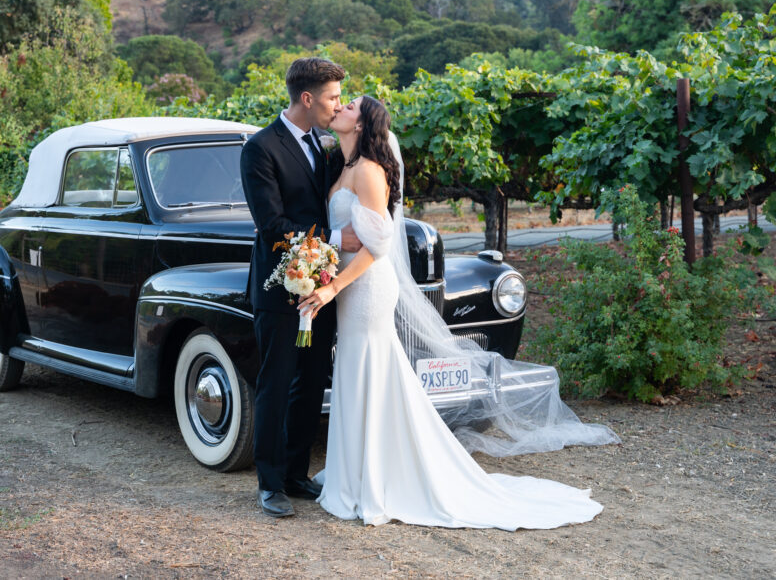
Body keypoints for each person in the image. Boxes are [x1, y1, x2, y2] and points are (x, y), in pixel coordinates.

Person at [296, 95, 618, 529]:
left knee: (369, 369)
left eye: (350, 105)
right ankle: (352, 475)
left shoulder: (369, 172)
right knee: (358, 371)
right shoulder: (344, 167)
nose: (342, 107)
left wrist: (332, 286)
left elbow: (378, 247)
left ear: (364, 123)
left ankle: (373, 480)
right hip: (350, 289)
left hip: (367, 288)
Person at [239, 57, 363, 518]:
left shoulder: (326, 144)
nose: (337, 105)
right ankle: (270, 484)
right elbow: (271, 225)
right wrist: (332, 238)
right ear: (307, 99)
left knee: (311, 384)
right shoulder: (260, 149)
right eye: (332, 97)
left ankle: (296, 473)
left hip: (323, 287)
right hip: (279, 290)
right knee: (276, 383)